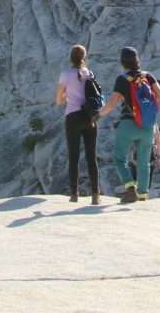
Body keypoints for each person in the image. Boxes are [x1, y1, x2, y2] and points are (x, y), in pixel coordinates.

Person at [95, 45, 160, 203]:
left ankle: (130, 187)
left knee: (119, 158)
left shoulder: (122, 79)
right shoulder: (148, 77)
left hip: (128, 125)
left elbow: (112, 104)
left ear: (122, 62)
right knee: (144, 162)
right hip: (147, 126)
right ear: (137, 60)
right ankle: (143, 195)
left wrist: (98, 115)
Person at [53, 43, 100, 204]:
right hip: (89, 116)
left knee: (73, 156)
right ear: (84, 58)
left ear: (70, 58)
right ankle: (95, 195)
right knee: (91, 156)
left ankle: (74, 194)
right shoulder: (89, 73)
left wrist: (67, 95)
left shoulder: (65, 75)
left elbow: (58, 100)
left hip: (72, 116)